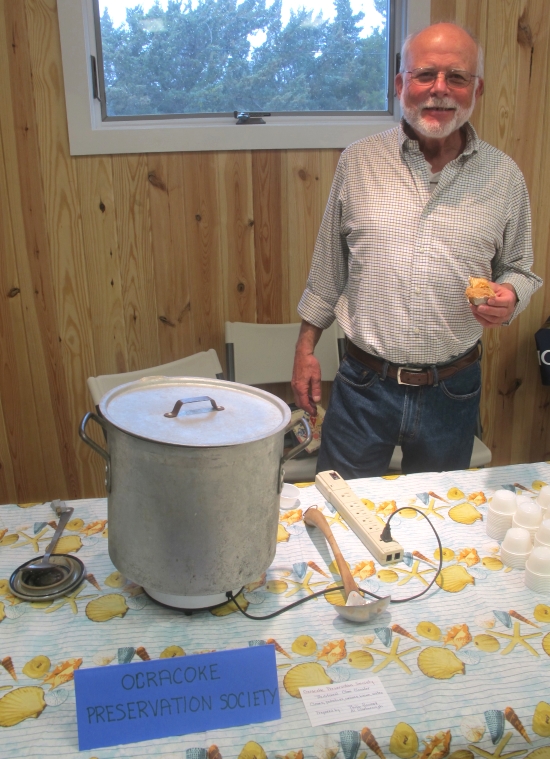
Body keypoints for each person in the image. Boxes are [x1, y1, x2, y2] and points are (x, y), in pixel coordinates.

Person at [291, 22, 542, 479]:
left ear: (477, 89)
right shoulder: (359, 161)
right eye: (425, 74)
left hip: (453, 389)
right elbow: (329, 269)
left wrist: (510, 297)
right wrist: (306, 348)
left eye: (457, 77)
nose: (439, 90)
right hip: (363, 384)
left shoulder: (504, 177)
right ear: (400, 83)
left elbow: (520, 269)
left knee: (438, 522)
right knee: (343, 508)